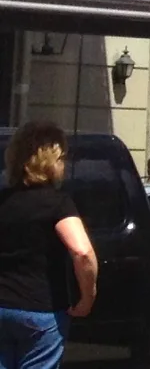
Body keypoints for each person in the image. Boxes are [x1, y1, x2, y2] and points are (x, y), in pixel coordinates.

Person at [0, 121, 98, 369]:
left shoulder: (3, 200)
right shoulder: (58, 204)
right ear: (51, 162)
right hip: (41, 309)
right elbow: (82, 252)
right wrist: (87, 297)